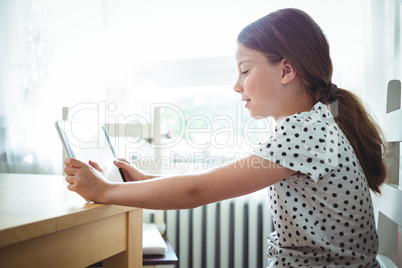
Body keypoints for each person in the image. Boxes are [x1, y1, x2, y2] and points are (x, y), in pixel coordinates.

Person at [64, 8, 386, 267]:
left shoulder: (304, 130)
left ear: (286, 71)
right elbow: (214, 181)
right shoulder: (313, 124)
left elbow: (197, 190)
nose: (237, 85)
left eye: (244, 70)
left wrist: (106, 189)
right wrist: (143, 181)